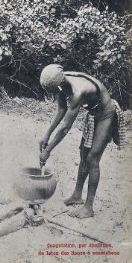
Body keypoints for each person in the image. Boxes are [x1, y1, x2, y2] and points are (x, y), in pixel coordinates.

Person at [39, 64, 125, 218]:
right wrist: (46, 135)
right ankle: (77, 196)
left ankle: (89, 207)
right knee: (84, 154)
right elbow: (61, 110)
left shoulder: (78, 91)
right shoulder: (61, 80)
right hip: (93, 114)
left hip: (106, 114)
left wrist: (48, 150)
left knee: (92, 159)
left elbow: (65, 127)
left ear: (60, 84)